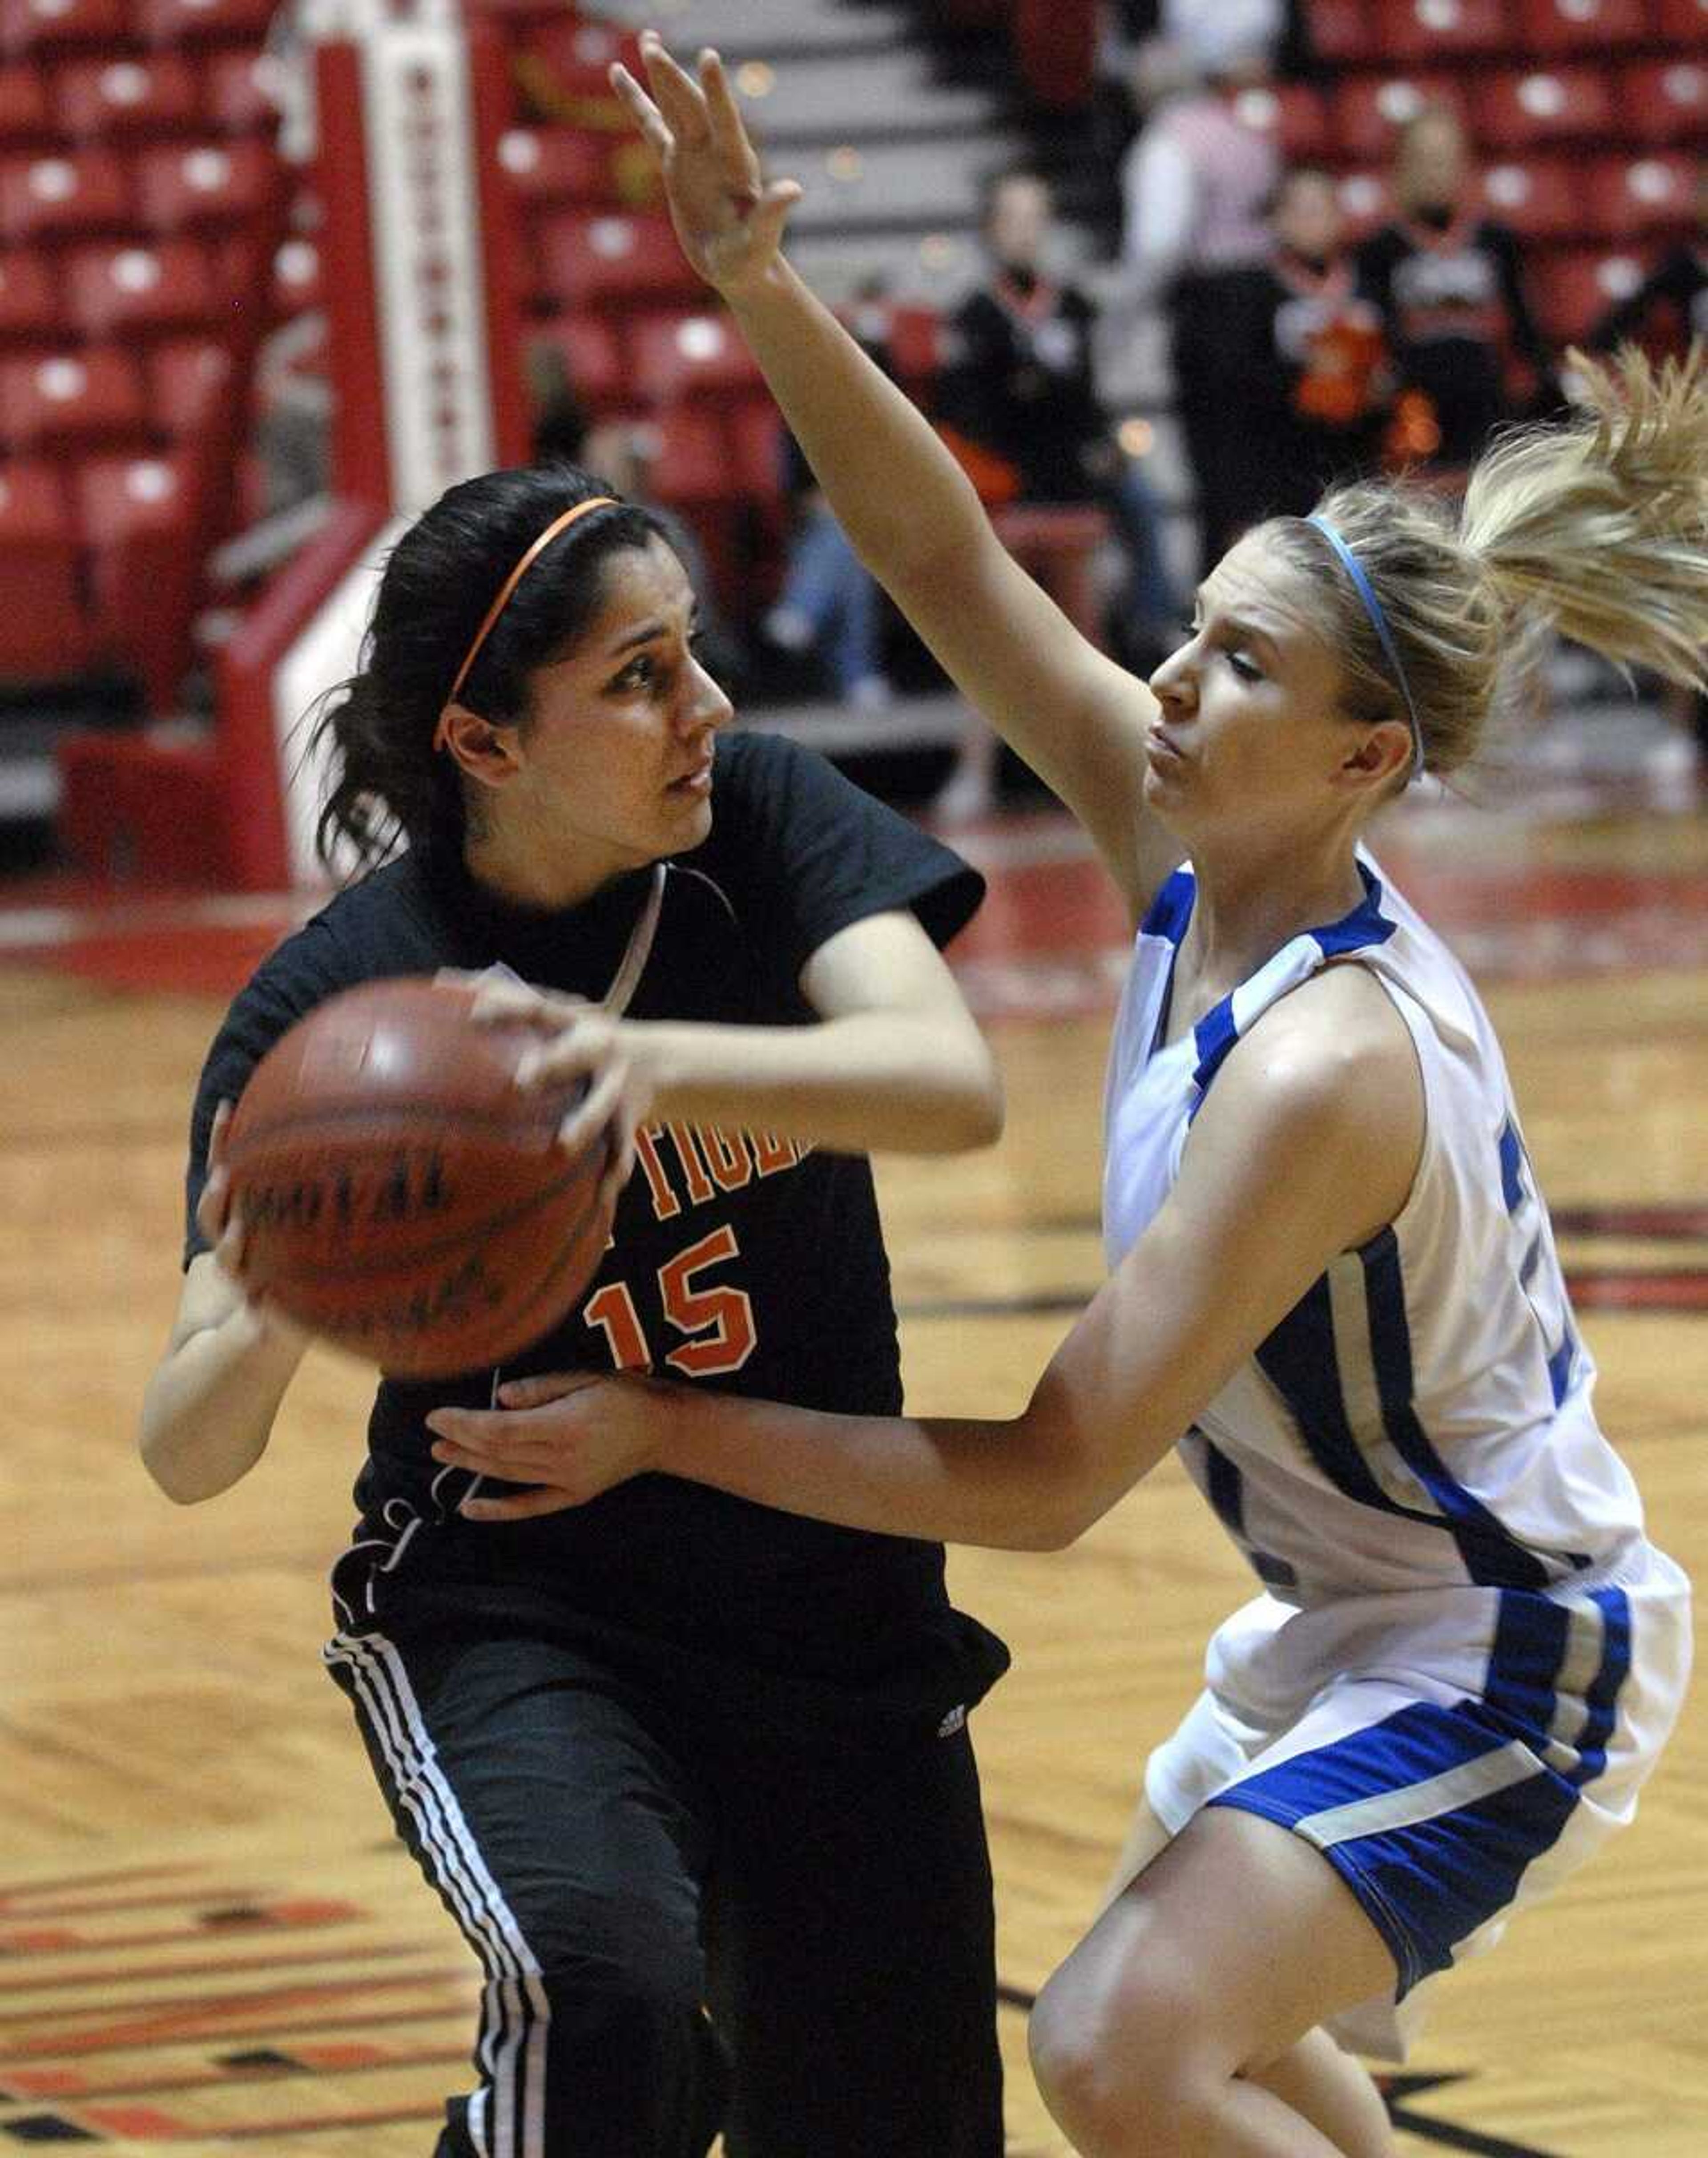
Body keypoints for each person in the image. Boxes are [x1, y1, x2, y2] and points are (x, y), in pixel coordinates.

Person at [426, 40, 1705, 2158]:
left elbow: (1041, 1479)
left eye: (1236, 669)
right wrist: (758, 284)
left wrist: (666, 1428)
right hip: (1352, 1611)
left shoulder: (1321, 1065)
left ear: (1369, 758)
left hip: (1501, 1645)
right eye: (1186, 637)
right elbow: (947, 564)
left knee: (1119, 2042)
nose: (1171, 685)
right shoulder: (1193, 838)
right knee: (1251, 2054)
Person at [138, 464, 1015, 2158]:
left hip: (835, 1606)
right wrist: (274, 1292)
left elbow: (948, 1084)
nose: (706, 706)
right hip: (525, 1614)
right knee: (600, 2000)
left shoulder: (759, 824)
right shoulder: (341, 1011)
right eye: (637, 678)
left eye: (688, 653)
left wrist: (637, 1068)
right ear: (485, 743)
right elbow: (185, 1453)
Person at [936, 163, 1180, 814]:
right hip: (1007, 496)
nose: (1026, 232)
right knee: (994, 639)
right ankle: (975, 771)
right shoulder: (974, 314)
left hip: (1069, 492)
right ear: (991, 229)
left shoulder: (1073, 304)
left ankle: (1121, 763)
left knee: (1085, 639)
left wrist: (1088, 449)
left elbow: (1084, 400)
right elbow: (968, 411)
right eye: (1013, 219)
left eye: (1036, 218)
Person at [1357, 106, 1559, 480]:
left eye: (1448, 159)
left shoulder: (1497, 242)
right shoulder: (1378, 251)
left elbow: (1526, 337)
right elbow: (1376, 344)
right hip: (1410, 423)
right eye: (1426, 159)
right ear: (1402, 166)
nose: (1437, 171)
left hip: (1488, 412)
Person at [1211, 166, 1392, 531]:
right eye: (1299, 211)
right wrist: (1305, 378)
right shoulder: (1253, 293)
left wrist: (1380, 386)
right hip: (1281, 464)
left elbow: (1394, 359)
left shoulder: (1370, 286)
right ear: (1276, 220)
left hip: (1356, 457)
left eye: (1321, 209)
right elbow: (1237, 379)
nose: (1312, 222)